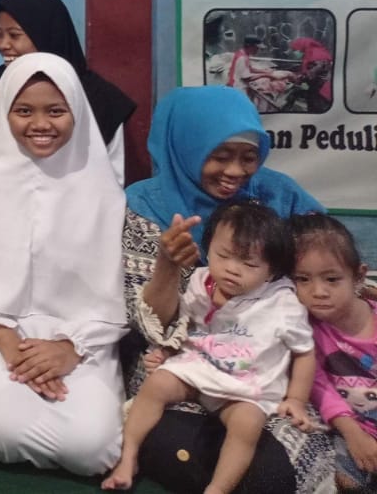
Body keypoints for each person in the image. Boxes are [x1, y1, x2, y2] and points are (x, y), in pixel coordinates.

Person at [121, 86, 330, 493]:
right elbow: (147, 326)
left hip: (265, 369)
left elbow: (325, 268)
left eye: (248, 157)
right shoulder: (144, 206)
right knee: (186, 449)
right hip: (175, 366)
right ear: (187, 147)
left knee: (279, 466)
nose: (235, 171)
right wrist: (167, 266)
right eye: (219, 156)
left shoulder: (279, 196)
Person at [0, 53, 127, 477]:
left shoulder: (102, 190)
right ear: (4, 113)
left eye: (55, 111)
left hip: (84, 340)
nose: (40, 124)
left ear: (77, 112)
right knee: (1, 432)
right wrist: (6, 339)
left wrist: (69, 349)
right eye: (24, 111)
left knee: (93, 450)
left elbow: (114, 296)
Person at [104, 203, 315, 493]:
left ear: (272, 272)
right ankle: (128, 457)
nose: (232, 269)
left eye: (249, 264)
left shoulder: (282, 304)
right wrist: (168, 352)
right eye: (223, 255)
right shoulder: (201, 281)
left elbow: (305, 351)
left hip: (243, 388)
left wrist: (297, 399)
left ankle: (217, 488)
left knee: (247, 424)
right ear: (208, 248)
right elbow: (187, 328)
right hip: (198, 369)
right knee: (158, 383)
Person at [0, 0, 136, 182]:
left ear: (45, 34)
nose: (3, 45)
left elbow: (111, 178)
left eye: (14, 35)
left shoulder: (100, 99)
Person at [291, 214, 377, 492]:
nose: (318, 291)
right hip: (351, 427)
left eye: (331, 279)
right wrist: (354, 434)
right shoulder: (304, 330)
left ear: (358, 276)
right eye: (302, 279)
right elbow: (319, 386)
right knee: (345, 480)